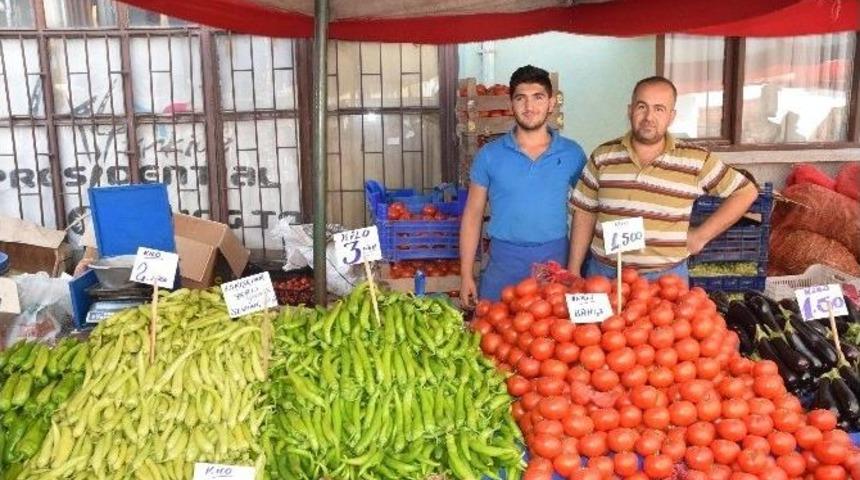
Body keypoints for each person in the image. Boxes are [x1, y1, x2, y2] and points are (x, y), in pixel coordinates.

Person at [568, 76, 758, 282]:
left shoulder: (695, 159)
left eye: (659, 109)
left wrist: (699, 237)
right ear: (630, 110)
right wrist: (574, 268)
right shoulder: (603, 156)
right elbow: (585, 212)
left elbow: (746, 192)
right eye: (642, 107)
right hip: (604, 275)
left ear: (671, 116)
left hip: (665, 278)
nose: (649, 116)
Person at [460, 65, 587, 305]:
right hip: (503, 262)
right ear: (511, 104)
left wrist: (575, 267)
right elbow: (473, 214)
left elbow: (586, 210)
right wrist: (466, 274)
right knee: (495, 335)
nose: (529, 107)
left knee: (552, 336)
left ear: (551, 104)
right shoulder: (489, 155)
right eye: (521, 98)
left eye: (538, 97)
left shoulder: (572, 153)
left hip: (556, 260)